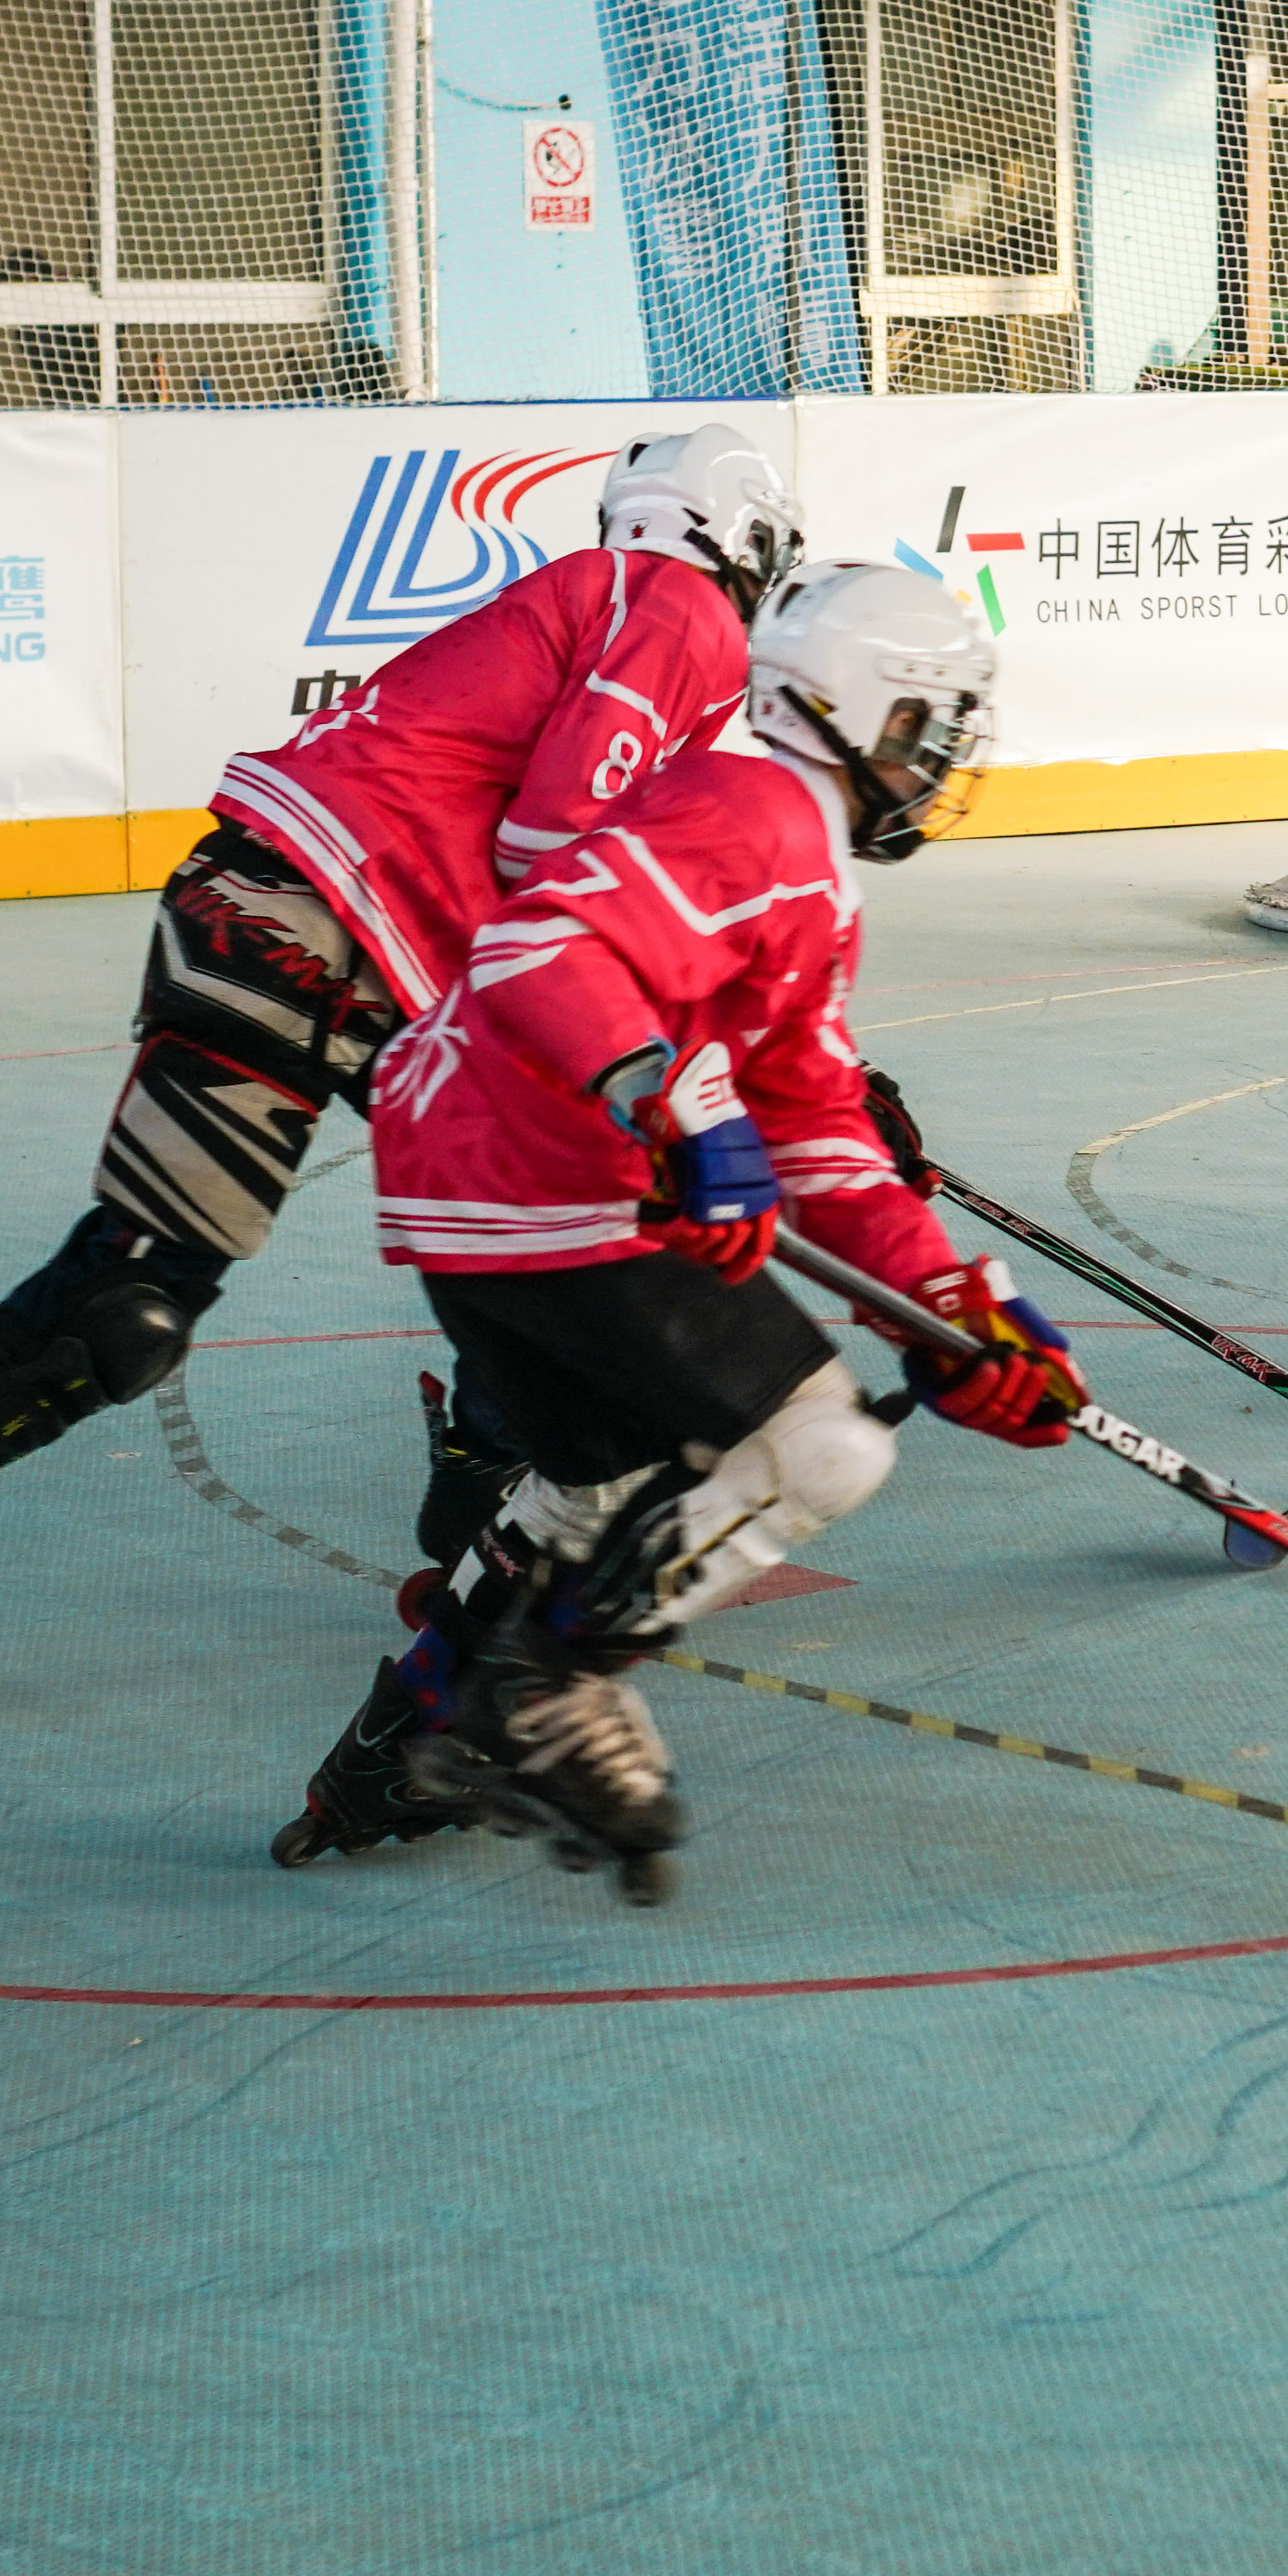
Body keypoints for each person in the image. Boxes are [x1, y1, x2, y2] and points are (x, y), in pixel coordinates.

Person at [0, 426, 799, 1727]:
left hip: (267, 915)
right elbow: (560, 843)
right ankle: (491, 1474)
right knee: (567, 1225)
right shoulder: (678, 606)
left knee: (132, 1302)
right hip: (351, 937)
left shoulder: (597, 596)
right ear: (749, 544)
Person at [277, 563, 1083, 1898]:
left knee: (592, 1508)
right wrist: (678, 1111)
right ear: (864, 715)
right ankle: (545, 1690)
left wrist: (949, 1306)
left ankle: (396, 1753)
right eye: (931, 729)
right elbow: (540, 953)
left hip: (480, 1192)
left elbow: (818, 1124)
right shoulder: (755, 810)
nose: (944, 764)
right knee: (819, 1449)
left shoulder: (799, 865)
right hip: (547, 1187)